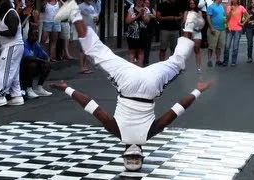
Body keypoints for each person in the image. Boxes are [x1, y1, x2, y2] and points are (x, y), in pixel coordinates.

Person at [51, 0, 211, 171]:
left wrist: (198, 90)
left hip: (150, 84)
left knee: (177, 62)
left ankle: (190, 23)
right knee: (95, 50)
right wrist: (66, 88)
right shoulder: (116, 131)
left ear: (141, 152)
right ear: (124, 152)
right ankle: (75, 13)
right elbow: (90, 105)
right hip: (127, 82)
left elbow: (177, 109)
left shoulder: (149, 133)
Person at [0, 0, 25, 108]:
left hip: (12, 45)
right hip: (11, 46)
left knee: (4, 71)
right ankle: (17, 96)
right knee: (13, 72)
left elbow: (12, 33)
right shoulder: (5, 13)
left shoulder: (11, 14)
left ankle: (0, 96)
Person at [20, 26, 53, 98]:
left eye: (36, 36)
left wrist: (46, 61)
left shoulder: (36, 44)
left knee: (47, 65)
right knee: (32, 64)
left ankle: (39, 88)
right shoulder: (24, 43)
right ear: (28, 35)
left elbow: (45, 55)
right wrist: (42, 61)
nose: (35, 38)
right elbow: (28, 57)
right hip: (21, 70)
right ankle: (29, 89)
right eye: (33, 35)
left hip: (32, 68)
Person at [222, 0, 250, 67]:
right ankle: (225, 61)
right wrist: (231, 11)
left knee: (235, 46)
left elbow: (248, 16)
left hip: (238, 29)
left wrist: (243, 23)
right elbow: (227, 19)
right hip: (230, 29)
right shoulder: (229, 7)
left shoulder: (241, 7)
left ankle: (233, 61)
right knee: (227, 46)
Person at [183, 0, 204, 73]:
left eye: (193, 3)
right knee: (185, 50)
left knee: (197, 49)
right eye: (190, 3)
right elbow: (185, 21)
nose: (192, 4)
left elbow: (201, 23)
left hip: (196, 32)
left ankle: (199, 67)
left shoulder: (199, 12)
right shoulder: (186, 12)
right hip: (188, 32)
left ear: (196, 4)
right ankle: (182, 67)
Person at [206, 0, 225, 67]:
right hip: (214, 29)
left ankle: (218, 60)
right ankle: (209, 60)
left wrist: (226, 26)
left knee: (219, 46)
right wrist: (211, 27)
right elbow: (208, 17)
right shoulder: (211, 7)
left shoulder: (221, 7)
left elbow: (223, 17)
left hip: (222, 29)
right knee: (211, 46)